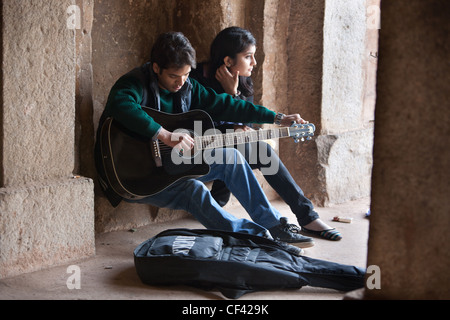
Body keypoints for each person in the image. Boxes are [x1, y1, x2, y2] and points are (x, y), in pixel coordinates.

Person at [95, 31, 316, 255]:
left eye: (186, 74)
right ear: (155, 68)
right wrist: (163, 134)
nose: (181, 82)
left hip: (172, 168)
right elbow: (120, 105)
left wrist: (278, 118)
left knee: (231, 157)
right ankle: (258, 239)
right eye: (173, 76)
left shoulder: (188, 87)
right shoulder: (134, 82)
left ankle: (273, 226)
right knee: (195, 190)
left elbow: (228, 105)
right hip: (133, 176)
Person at [190, 27, 342, 241]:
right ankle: (219, 203)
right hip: (197, 154)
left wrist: (233, 93)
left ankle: (307, 217)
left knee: (258, 148)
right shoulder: (194, 80)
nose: (254, 63)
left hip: (228, 151)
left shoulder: (243, 80)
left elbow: (246, 123)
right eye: (248, 57)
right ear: (228, 61)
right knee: (252, 148)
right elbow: (196, 128)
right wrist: (229, 104)